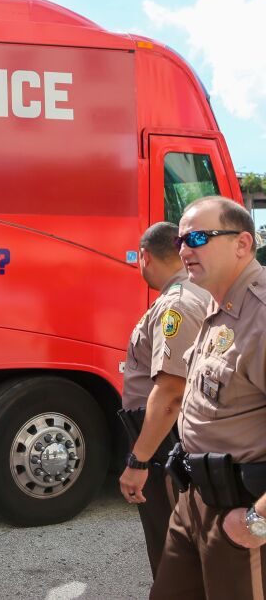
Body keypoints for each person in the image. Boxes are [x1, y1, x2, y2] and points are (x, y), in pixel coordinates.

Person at [151, 196, 266, 599]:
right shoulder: (217, 306)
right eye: (181, 239)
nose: (184, 249)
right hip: (194, 501)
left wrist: (255, 522)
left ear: (242, 243)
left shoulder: (261, 315)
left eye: (199, 236)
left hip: (241, 514)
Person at [118, 222, 208, 578]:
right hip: (169, 436)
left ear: (145, 256)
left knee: (173, 550)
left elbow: (171, 392)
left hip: (165, 441)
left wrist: (138, 463)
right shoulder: (193, 294)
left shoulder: (178, 304)